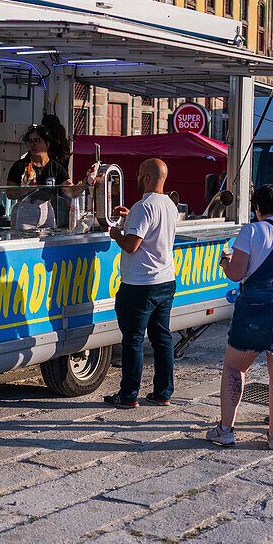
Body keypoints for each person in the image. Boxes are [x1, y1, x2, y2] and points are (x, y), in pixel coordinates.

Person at [208, 185, 273, 450]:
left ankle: (226, 431)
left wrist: (225, 262)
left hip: (258, 308)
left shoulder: (250, 231)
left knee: (235, 368)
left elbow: (236, 273)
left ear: (257, 208)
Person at [103, 158, 178, 408]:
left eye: (138, 174)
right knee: (162, 338)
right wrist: (129, 218)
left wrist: (117, 234)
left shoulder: (143, 206)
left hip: (140, 284)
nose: (136, 178)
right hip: (166, 281)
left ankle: (128, 395)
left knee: (133, 340)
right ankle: (163, 392)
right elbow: (150, 232)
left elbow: (132, 245)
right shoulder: (169, 204)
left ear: (146, 178)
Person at [6, 124, 72, 232]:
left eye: (37, 140)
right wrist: (27, 188)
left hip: (46, 209)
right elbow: (10, 193)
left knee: (47, 243)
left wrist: (84, 184)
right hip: (25, 209)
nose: (33, 145)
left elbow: (70, 189)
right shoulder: (20, 165)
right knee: (24, 244)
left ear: (47, 144)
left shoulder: (56, 167)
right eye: (30, 141)